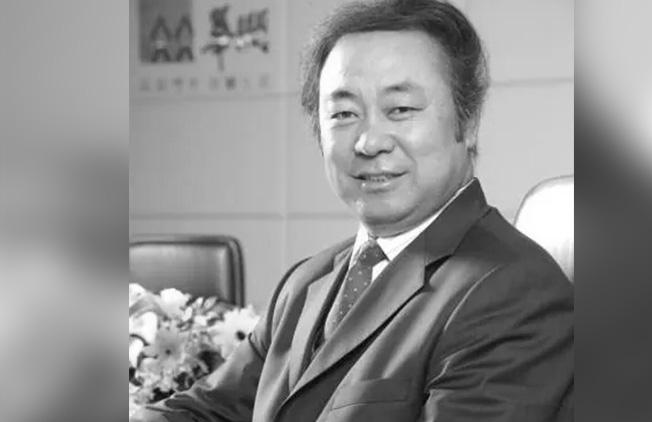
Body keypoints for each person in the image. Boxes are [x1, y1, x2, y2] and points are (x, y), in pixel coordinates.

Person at [132, 0, 573, 421]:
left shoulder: (514, 293)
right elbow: (210, 410)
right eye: (343, 113)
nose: (368, 141)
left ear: (468, 122)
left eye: (400, 109)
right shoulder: (306, 283)